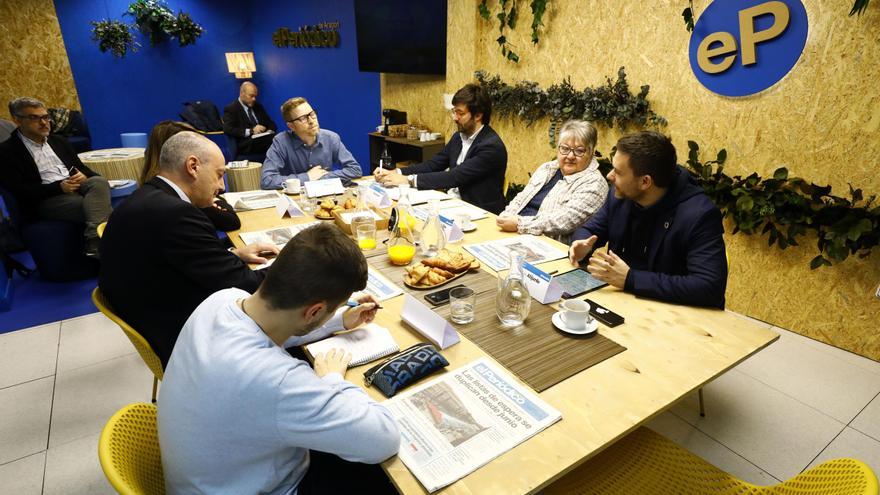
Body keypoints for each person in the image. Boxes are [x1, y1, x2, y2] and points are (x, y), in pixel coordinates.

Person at [158, 223, 399, 494]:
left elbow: (274, 328)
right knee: (387, 478)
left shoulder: (223, 300)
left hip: (212, 477)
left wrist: (337, 321)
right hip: (270, 487)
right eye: (330, 311)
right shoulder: (281, 381)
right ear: (314, 311)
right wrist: (332, 379)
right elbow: (384, 439)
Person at [99, 131, 278, 366]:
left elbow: (177, 257)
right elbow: (245, 283)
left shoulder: (146, 197)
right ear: (193, 166)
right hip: (185, 340)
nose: (221, 187)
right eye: (219, 175)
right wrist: (295, 263)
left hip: (152, 313)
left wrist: (233, 254)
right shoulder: (178, 215)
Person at [568, 131, 727, 308]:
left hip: (671, 314)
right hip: (620, 301)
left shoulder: (699, 215)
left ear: (645, 182)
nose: (610, 176)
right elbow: (590, 230)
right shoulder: (620, 195)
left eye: (618, 172)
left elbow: (709, 287)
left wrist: (631, 279)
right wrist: (582, 244)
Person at [0, 97, 111, 257]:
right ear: (17, 120)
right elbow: (19, 191)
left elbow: (82, 168)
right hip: (47, 199)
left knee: (98, 181)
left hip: (76, 187)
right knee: (94, 207)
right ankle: (103, 242)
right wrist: (59, 187)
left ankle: (94, 241)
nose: (44, 122)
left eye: (45, 117)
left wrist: (83, 176)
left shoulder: (58, 141)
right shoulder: (7, 151)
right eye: (34, 118)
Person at [374, 83, 508, 214]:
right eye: (454, 112)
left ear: (478, 116)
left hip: (479, 212)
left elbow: (455, 176)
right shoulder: (459, 137)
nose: (455, 118)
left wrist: (408, 180)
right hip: (453, 204)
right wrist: (397, 172)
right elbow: (434, 164)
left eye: (460, 113)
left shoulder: (491, 147)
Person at [497, 120, 608, 243]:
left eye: (579, 151)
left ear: (591, 152)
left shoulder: (595, 183)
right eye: (565, 148)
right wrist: (506, 216)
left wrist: (520, 224)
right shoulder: (547, 168)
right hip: (513, 234)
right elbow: (521, 198)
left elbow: (564, 221)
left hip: (546, 245)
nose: (570, 156)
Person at [140, 120, 240, 231]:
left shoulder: (151, 188)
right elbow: (230, 221)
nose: (222, 186)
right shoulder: (176, 205)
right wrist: (214, 202)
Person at [261, 97, 362, 189]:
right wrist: (307, 177)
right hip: (295, 201)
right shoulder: (281, 142)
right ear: (291, 126)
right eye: (303, 118)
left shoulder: (331, 138)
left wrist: (323, 177)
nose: (311, 121)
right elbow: (267, 181)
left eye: (312, 114)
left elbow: (355, 170)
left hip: (325, 196)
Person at [222, 81, 277, 159]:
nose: (254, 99)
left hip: (263, 140)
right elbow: (228, 129)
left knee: (277, 138)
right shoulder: (231, 109)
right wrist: (251, 131)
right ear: (242, 93)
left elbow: (271, 123)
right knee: (275, 140)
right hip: (246, 144)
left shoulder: (258, 106)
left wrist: (268, 131)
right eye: (251, 96)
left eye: (255, 96)